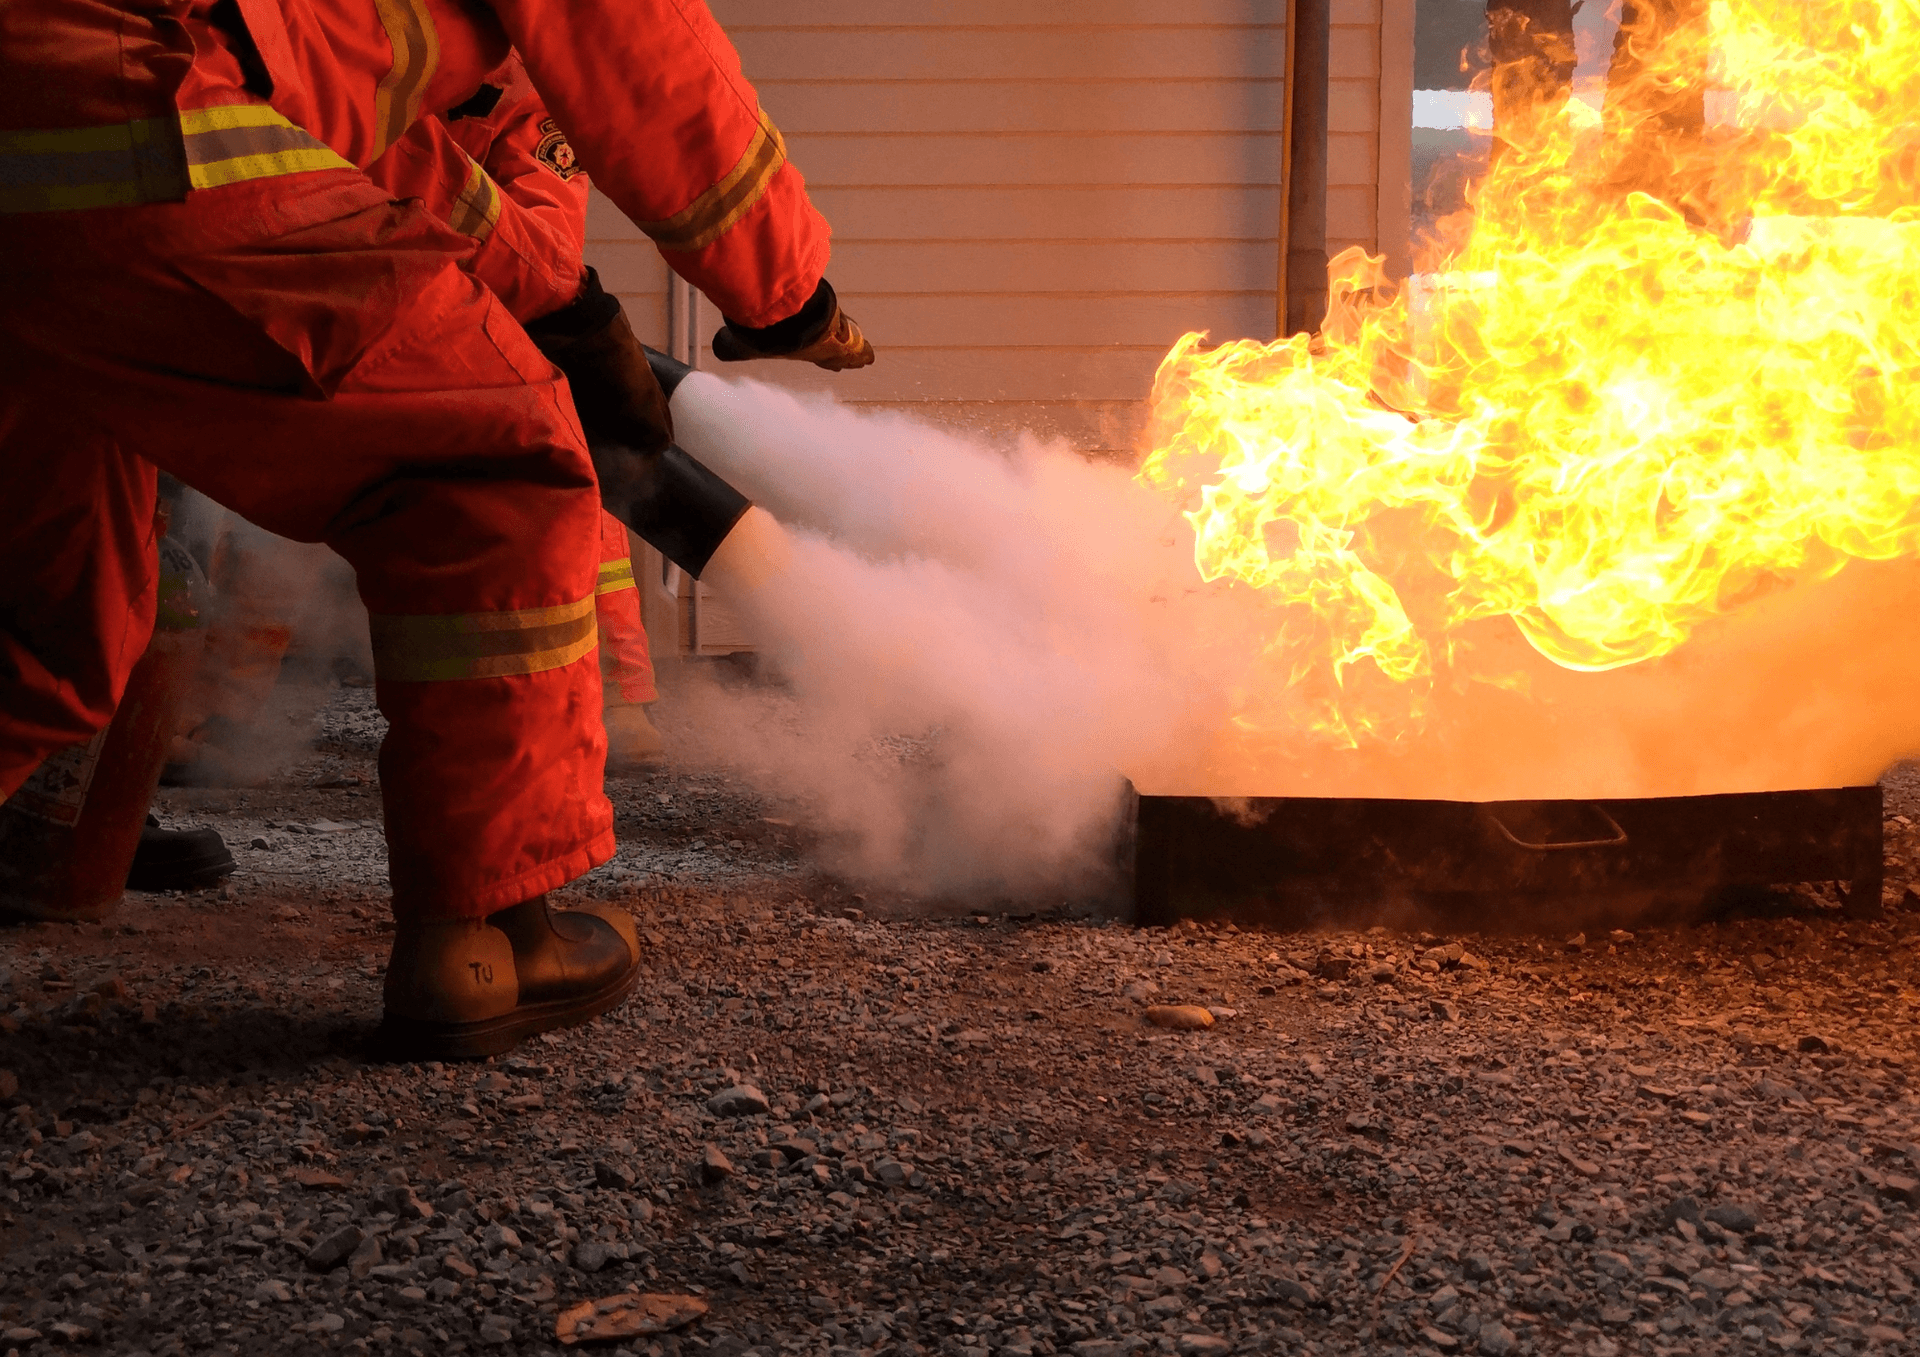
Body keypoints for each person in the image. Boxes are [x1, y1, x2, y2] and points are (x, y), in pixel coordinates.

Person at [0, 0, 871, 1059]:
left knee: (45, 623)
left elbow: (384, 154)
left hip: (58, 128)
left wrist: (565, 301)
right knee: (493, 466)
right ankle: (487, 938)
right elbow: (636, 38)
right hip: (136, 116)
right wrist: (782, 293)